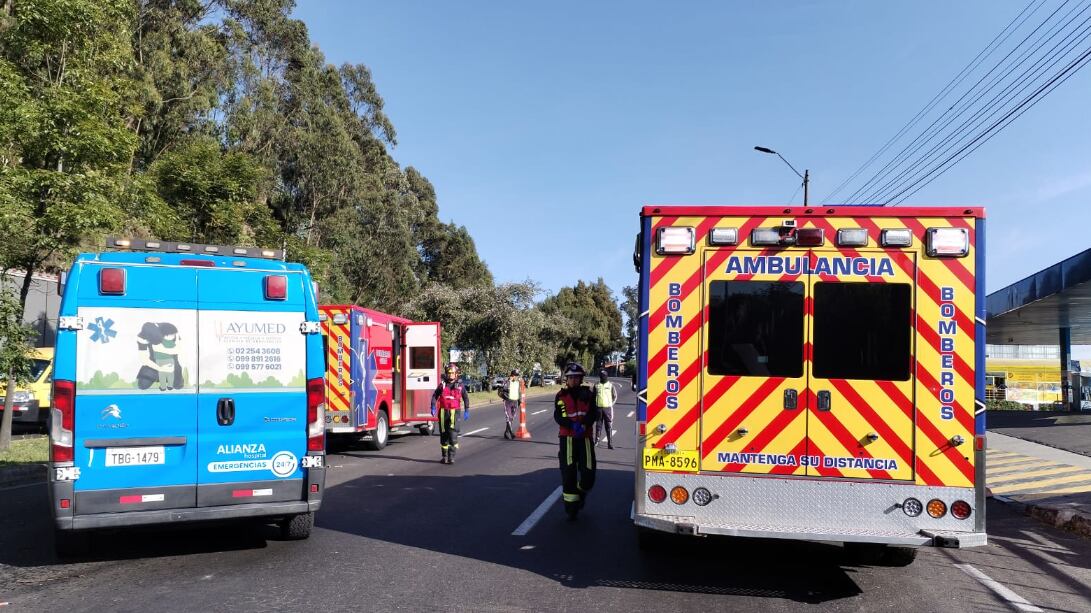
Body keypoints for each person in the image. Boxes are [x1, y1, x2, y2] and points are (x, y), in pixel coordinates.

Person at [553, 362, 599, 520]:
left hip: (584, 438)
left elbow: (594, 413)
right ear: (566, 379)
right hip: (567, 439)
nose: (573, 380)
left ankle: (581, 493)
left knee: (588, 475)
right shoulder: (561, 396)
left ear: (581, 379)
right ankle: (571, 508)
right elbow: (558, 416)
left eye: (576, 377)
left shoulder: (589, 394)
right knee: (568, 474)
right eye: (570, 377)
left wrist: (585, 424)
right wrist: (572, 425)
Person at [431, 363, 470, 464]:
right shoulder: (442, 385)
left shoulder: (460, 385)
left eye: (452, 373)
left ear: (456, 374)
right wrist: (433, 406)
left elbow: (465, 398)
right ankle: (444, 457)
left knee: (453, 435)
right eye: (449, 373)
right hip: (443, 412)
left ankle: (451, 457)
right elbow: (435, 395)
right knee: (444, 435)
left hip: (454, 413)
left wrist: (467, 410)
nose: (450, 375)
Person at [593, 369, 617, 449]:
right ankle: (596, 441)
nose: (602, 377)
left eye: (604, 376)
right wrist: (594, 406)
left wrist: (610, 404)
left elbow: (614, 396)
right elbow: (593, 397)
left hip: (608, 409)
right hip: (598, 409)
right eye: (601, 376)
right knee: (598, 425)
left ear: (607, 377)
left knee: (608, 425)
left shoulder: (611, 385)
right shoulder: (596, 385)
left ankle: (610, 443)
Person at [500, 369, 523, 440]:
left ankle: (506, 433)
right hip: (507, 401)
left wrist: (519, 400)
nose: (516, 377)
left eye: (517, 375)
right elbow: (501, 390)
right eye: (515, 375)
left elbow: (519, 392)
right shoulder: (506, 381)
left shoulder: (518, 382)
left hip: (515, 401)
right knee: (508, 416)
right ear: (512, 375)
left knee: (512, 417)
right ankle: (511, 432)